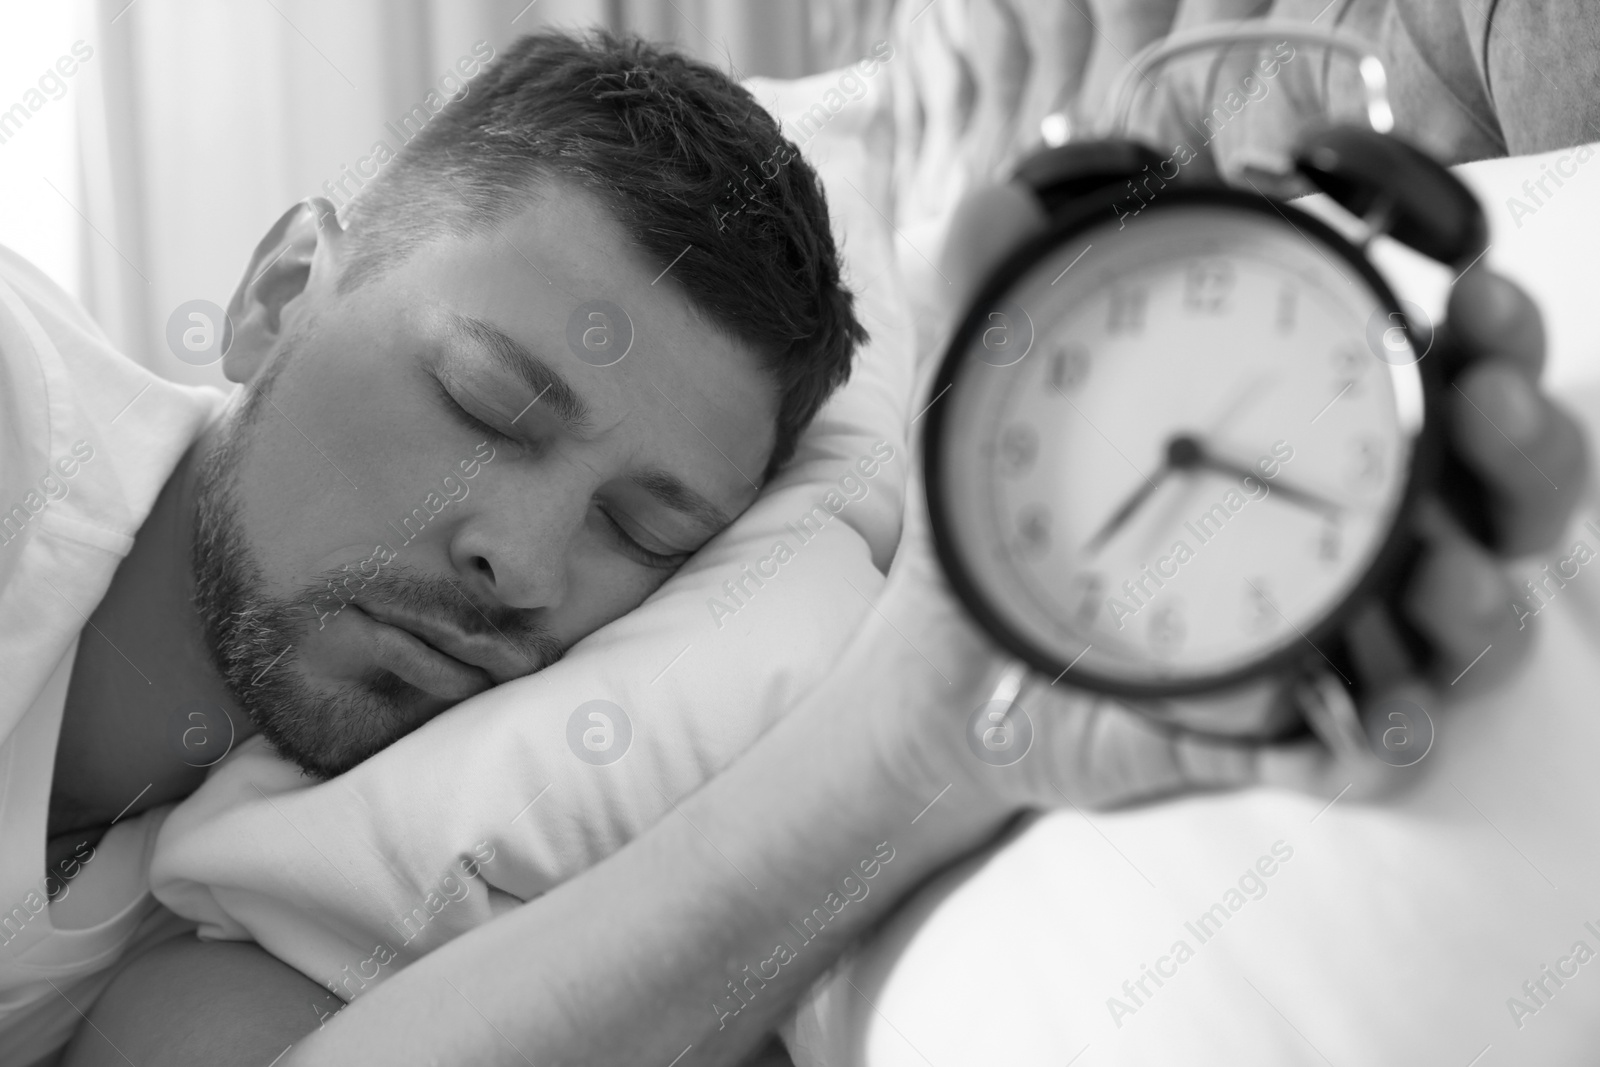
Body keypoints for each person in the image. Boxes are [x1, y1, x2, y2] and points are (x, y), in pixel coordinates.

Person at [19, 27, 1584, 1067]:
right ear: (282, 293)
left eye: (646, 529)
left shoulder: (279, 854)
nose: (522, 564)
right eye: (488, 404)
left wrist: (936, 715)